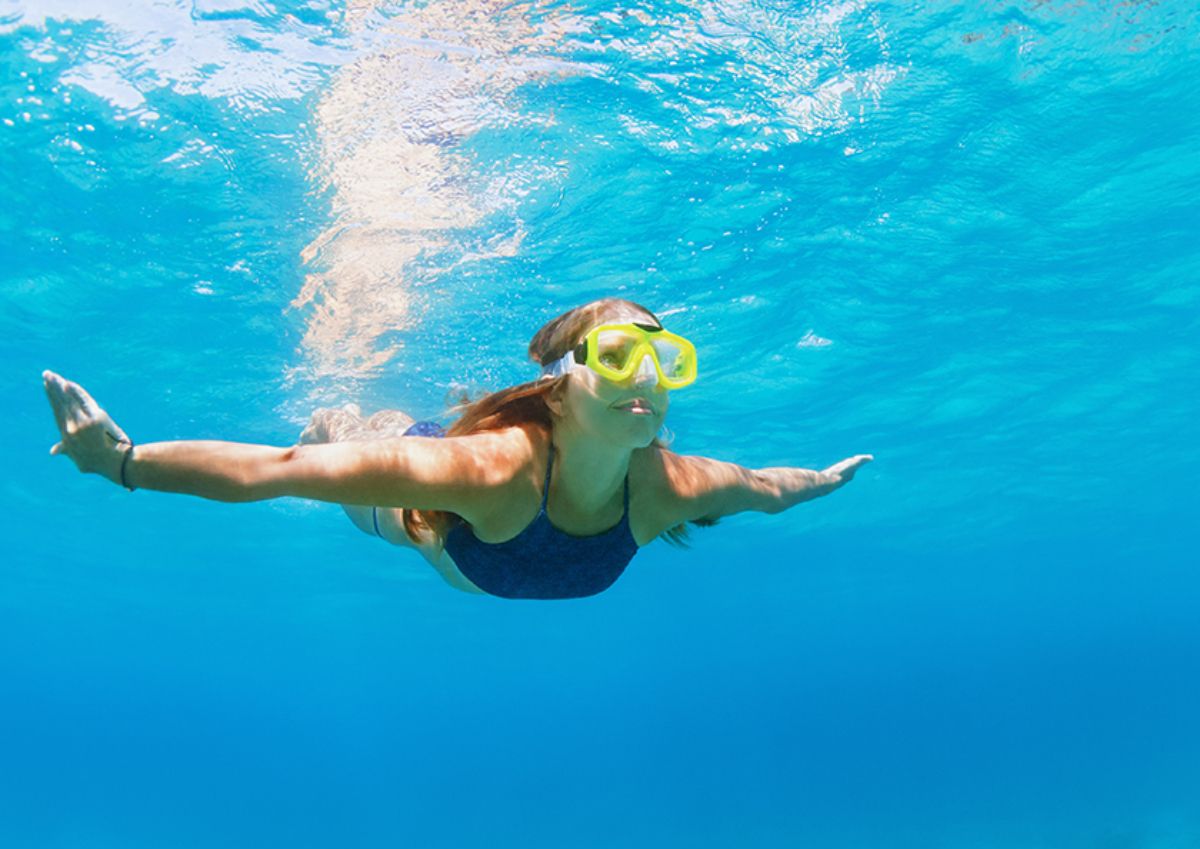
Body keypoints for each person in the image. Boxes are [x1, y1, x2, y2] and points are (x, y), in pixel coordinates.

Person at [42, 297, 872, 599]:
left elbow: (767, 487)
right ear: (561, 382)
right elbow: (278, 473)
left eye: (668, 360)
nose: (647, 375)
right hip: (430, 518)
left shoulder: (670, 485)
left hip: (476, 486)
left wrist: (822, 484)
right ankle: (341, 404)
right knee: (343, 439)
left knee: (409, 430)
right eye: (621, 355)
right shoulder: (490, 472)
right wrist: (121, 462)